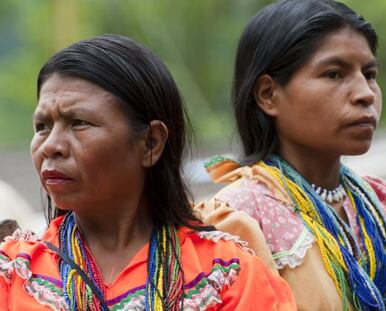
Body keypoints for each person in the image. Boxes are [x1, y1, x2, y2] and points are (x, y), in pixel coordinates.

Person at [0, 35, 296, 310]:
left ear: (151, 143)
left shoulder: (228, 275)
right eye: (42, 127)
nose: (50, 146)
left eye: (78, 122)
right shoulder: (13, 273)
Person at [194, 0, 386, 310]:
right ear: (268, 95)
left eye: (370, 73)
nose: (365, 93)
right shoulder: (239, 222)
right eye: (334, 74)